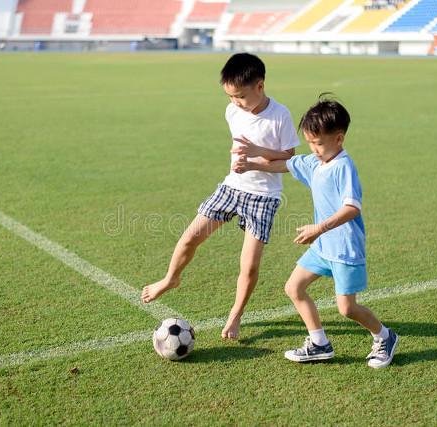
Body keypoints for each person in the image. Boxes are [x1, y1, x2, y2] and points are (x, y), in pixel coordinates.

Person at [141, 53, 300, 340]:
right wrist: (243, 162)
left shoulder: (280, 116)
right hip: (231, 187)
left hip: (263, 197)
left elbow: (289, 159)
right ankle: (170, 278)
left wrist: (254, 157)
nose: (235, 102)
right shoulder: (232, 112)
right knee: (190, 236)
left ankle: (235, 316)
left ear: (260, 87)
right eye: (230, 96)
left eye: (240, 96)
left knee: (249, 265)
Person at [232, 95, 398, 368]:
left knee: (347, 308)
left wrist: (319, 228)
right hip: (322, 247)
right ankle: (319, 342)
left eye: (318, 143)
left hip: (344, 248)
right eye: (310, 142)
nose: (314, 148)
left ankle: (384, 336)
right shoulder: (314, 162)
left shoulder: (343, 166)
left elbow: (352, 208)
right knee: (294, 287)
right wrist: (251, 162)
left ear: (339, 139)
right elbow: (285, 163)